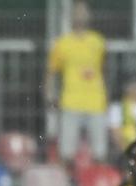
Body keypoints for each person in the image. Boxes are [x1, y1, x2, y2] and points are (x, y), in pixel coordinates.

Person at [45, 0, 108, 164]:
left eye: (83, 11)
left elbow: (103, 70)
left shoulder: (98, 42)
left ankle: (96, 179)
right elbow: (51, 73)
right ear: (70, 16)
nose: (80, 15)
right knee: (66, 152)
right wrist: (49, 95)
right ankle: (68, 180)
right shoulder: (62, 43)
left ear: (89, 15)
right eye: (77, 11)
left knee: (100, 152)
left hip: (95, 102)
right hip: (70, 102)